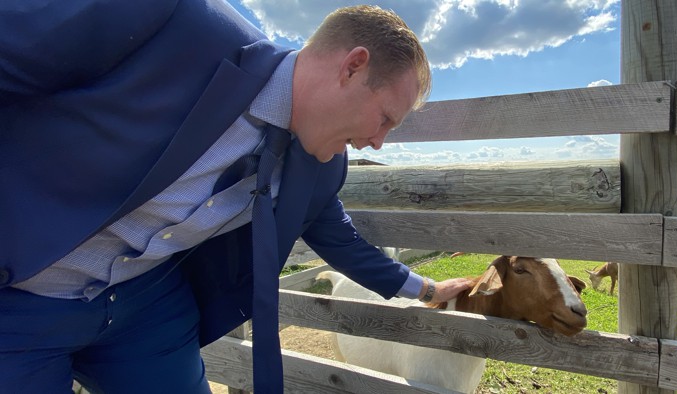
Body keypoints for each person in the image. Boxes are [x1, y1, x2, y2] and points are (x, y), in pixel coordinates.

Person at [0, 2, 472, 393]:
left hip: (146, 308)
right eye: (386, 118)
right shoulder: (178, 21)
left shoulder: (324, 165)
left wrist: (429, 290)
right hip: (21, 299)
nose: (379, 142)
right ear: (352, 67)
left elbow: (342, 241)